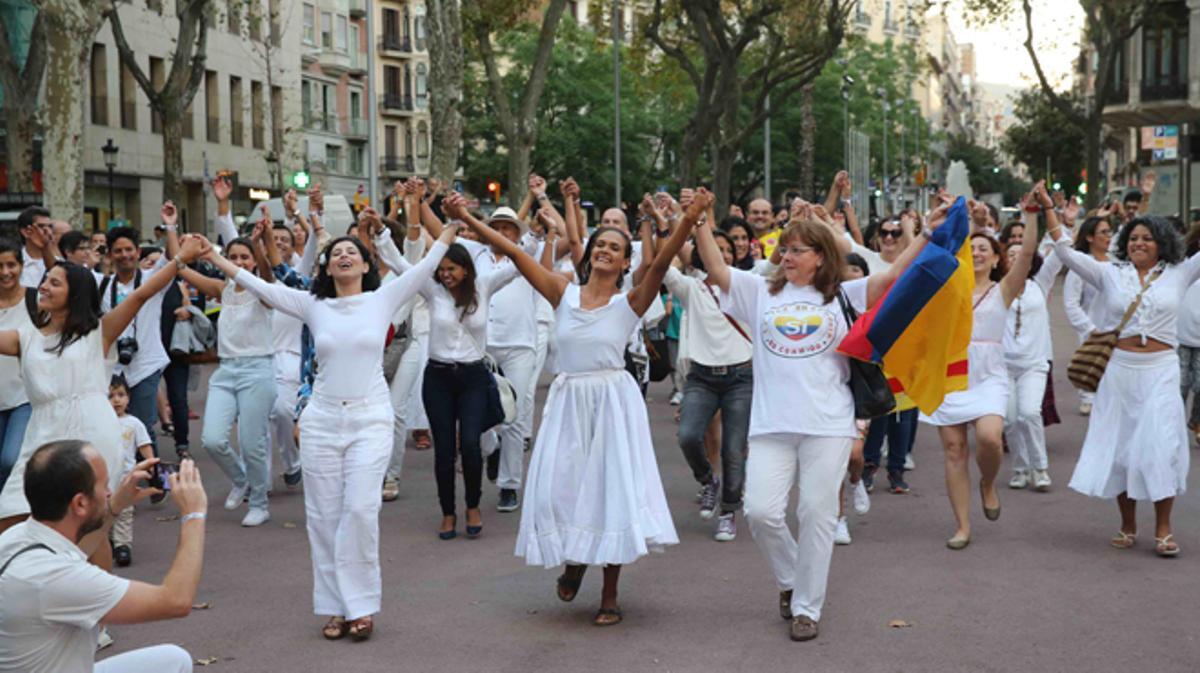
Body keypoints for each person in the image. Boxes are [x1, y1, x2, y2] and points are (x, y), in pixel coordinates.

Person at [695, 196, 946, 641]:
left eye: (796, 250)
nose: (786, 256)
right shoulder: (761, 291)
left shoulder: (842, 293)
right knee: (760, 512)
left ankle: (807, 607)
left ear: (819, 257)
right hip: (772, 424)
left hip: (829, 423)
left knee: (816, 512)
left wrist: (926, 231)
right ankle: (792, 580)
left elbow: (891, 277)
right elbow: (715, 270)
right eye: (784, 249)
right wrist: (697, 221)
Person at [202, 218, 458, 640]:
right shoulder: (312, 304)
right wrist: (214, 256)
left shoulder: (382, 298)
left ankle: (361, 605)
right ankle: (336, 607)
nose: (343, 255)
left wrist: (446, 233)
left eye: (351, 252)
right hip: (321, 420)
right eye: (335, 252)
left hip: (370, 417)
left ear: (364, 265)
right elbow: (262, 286)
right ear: (325, 267)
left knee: (359, 509)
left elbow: (423, 268)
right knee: (323, 516)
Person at [462, 188, 699, 627]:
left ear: (626, 262)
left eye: (616, 247)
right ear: (589, 254)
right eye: (600, 245)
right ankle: (574, 558)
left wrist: (689, 217)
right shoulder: (562, 291)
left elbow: (662, 263)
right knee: (561, 487)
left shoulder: (630, 301)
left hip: (612, 402)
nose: (607, 250)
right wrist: (468, 218)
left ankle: (609, 593)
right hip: (569, 401)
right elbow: (514, 251)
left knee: (612, 494)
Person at [0, 233, 207, 570]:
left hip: (91, 433)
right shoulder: (24, 338)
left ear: (74, 295)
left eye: (54, 283)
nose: (44, 288)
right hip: (41, 435)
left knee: (88, 530)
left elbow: (142, 294)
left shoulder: (100, 332)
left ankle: (98, 614)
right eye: (45, 281)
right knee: (11, 514)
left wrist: (179, 259)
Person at [1050, 213, 1200, 558]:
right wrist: (1048, 213)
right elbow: (1066, 253)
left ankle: (1164, 528)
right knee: (1123, 449)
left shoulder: (1181, 272)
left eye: (1146, 238)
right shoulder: (1109, 273)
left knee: (1163, 445)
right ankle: (1128, 523)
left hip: (1161, 370)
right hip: (1119, 371)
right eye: (1133, 238)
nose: (1139, 243)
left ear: (1162, 242)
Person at [0, 440, 206, 673]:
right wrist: (194, 514)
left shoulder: (18, 537)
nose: (109, 492)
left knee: (173, 660)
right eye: (104, 486)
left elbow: (77, 553)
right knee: (174, 661)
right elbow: (175, 601)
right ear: (80, 503)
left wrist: (117, 503)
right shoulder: (54, 579)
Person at [923, 187, 1040, 551]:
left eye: (983, 249)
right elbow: (924, 259)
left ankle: (987, 482)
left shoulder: (1006, 289)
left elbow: (1029, 254)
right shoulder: (946, 288)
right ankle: (962, 525)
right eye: (970, 249)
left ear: (994, 259)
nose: (975, 253)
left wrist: (1032, 214)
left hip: (989, 374)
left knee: (990, 437)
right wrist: (942, 217)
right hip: (951, 372)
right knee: (955, 450)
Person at [411, 196, 523, 539]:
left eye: (452, 270)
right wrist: (407, 210)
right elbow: (403, 265)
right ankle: (448, 513)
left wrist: (476, 225)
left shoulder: (484, 285)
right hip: (438, 377)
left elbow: (520, 260)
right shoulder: (432, 291)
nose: (446, 276)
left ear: (466, 269)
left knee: (471, 444)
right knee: (444, 449)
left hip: (474, 376)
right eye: (441, 271)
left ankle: (472, 505)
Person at [177, 223, 278, 527]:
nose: (239, 261)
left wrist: (259, 247)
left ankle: (259, 502)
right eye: (233, 256)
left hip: (258, 370)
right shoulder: (222, 290)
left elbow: (267, 271)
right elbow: (180, 267)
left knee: (252, 443)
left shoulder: (263, 290)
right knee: (212, 440)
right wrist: (174, 231)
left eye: (245, 257)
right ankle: (241, 479)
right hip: (226, 371)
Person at [664, 227, 753, 541]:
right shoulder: (691, 288)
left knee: (733, 448)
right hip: (701, 378)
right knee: (689, 437)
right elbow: (662, 264)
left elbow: (781, 262)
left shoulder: (748, 285)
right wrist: (667, 224)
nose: (723, 254)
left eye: (727, 249)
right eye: (715, 249)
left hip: (741, 377)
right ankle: (708, 480)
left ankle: (728, 510)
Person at [99, 205, 181, 456]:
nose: (124, 255)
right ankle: (122, 475)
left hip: (146, 363)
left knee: (142, 424)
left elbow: (175, 262)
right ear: (110, 255)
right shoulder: (101, 284)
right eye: (118, 251)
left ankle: (153, 475)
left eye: (129, 250)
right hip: (113, 366)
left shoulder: (151, 280)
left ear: (138, 252)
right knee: (112, 423)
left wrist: (170, 226)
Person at [1002, 204, 1064, 492]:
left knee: (1029, 413)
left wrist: (1045, 211)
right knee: (1010, 420)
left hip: (1034, 364)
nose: (1016, 259)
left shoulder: (1041, 282)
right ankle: (1020, 468)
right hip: (1002, 366)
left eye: (1021, 254)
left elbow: (1062, 246)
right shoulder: (995, 287)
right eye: (1010, 255)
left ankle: (1040, 468)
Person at [1062, 216, 1113, 415]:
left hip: (1117, 328)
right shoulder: (1081, 265)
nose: (1108, 236)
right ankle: (1087, 397)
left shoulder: (1117, 263)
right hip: (1091, 330)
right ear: (1090, 237)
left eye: (1110, 231)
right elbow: (1071, 302)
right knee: (1092, 366)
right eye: (1103, 232)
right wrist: (1088, 328)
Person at [106, 377, 153, 567]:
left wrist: (151, 466)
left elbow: (144, 446)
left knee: (124, 512)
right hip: (104, 477)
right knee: (105, 510)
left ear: (128, 398)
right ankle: (109, 541)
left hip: (126, 477)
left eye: (121, 395)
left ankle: (123, 545)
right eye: (110, 396)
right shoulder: (99, 421)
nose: (116, 400)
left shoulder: (134, 424)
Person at [0, 240, 33, 492]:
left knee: (11, 459)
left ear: (21, 266)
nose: (5, 272)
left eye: (11, 265)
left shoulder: (35, 301)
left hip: (25, 397)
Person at [15, 206, 53, 289]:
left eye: (50, 227)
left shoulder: (59, 263)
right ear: (26, 232)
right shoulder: (13, 263)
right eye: (41, 226)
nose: (47, 232)